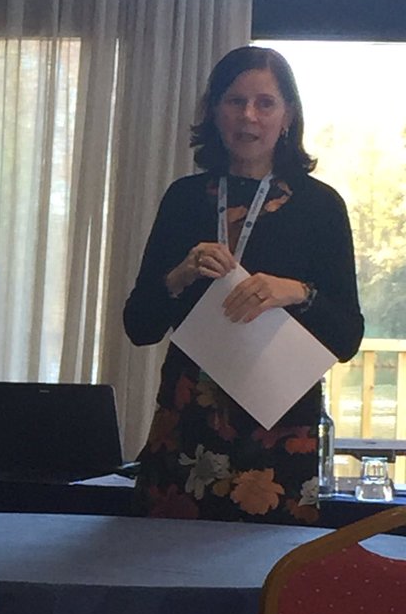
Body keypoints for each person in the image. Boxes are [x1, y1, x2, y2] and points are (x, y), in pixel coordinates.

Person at [124, 45, 363, 524]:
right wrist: (180, 275)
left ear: (288, 116)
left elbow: (347, 338)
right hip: (188, 422)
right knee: (166, 558)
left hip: (279, 428)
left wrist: (298, 292)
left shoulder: (320, 206)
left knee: (270, 563)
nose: (248, 116)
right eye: (235, 101)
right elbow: (139, 327)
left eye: (265, 103)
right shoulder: (185, 198)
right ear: (215, 111)